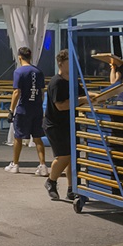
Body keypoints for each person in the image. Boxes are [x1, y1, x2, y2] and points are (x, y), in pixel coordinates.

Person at [44, 49, 84, 200]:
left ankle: (72, 189)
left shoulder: (73, 81)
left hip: (70, 123)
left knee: (73, 157)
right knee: (64, 156)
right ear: (61, 63)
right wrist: (83, 100)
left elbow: (82, 97)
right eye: (70, 61)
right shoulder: (56, 82)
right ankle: (51, 181)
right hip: (55, 125)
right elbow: (60, 105)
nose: (73, 64)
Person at [5, 47, 48, 176]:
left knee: (18, 137)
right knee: (37, 138)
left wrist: (11, 110)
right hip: (36, 109)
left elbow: (16, 92)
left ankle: (15, 164)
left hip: (23, 109)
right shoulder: (38, 72)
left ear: (19, 57)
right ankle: (43, 165)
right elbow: (41, 92)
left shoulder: (19, 72)